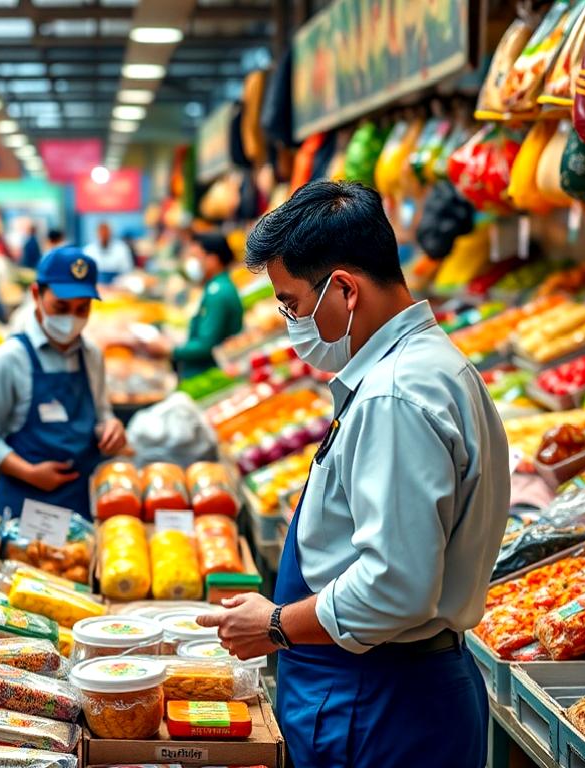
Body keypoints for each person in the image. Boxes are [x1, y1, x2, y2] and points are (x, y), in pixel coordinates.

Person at [197, 181, 509, 768]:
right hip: (389, 688)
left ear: (343, 288)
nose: (290, 321)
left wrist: (276, 625)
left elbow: (395, 586)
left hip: (382, 703)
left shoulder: (396, 394)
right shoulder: (432, 366)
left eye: (290, 303)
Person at [0, 246, 127, 519]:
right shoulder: (9, 359)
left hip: (81, 504)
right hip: (26, 509)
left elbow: (101, 412)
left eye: (82, 309)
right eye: (61, 307)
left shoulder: (92, 356)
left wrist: (110, 427)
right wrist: (29, 472)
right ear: (36, 295)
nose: (71, 319)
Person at [172, 232, 244, 379]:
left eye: (196, 257)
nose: (192, 263)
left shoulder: (217, 292)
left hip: (209, 372)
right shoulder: (216, 287)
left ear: (212, 260)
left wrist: (171, 350)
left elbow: (206, 344)